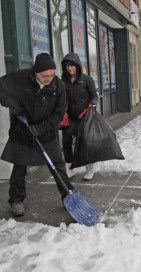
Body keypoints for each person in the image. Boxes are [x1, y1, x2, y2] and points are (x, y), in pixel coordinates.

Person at [0, 53, 75, 217]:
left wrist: (41, 128)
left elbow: (58, 114)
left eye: (52, 75)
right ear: (36, 72)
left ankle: (69, 196)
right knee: (19, 165)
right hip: (22, 131)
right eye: (45, 76)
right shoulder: (20, 78)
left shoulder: (58, 86)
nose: (49, 79)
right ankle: (16, 200)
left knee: (57, 165)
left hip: (46, 132)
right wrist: (12, 105)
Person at [60, 53, 98, 181]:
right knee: (66, 141)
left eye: (71, 65)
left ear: (77, 66)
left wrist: (93, 102)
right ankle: (70, 168)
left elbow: (94, 94)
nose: (69, 68)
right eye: (67, 66)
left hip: (84, 116)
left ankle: (89, 168)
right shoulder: (63, 81)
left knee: (85, 143)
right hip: (69, 118)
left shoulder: (86, 79)